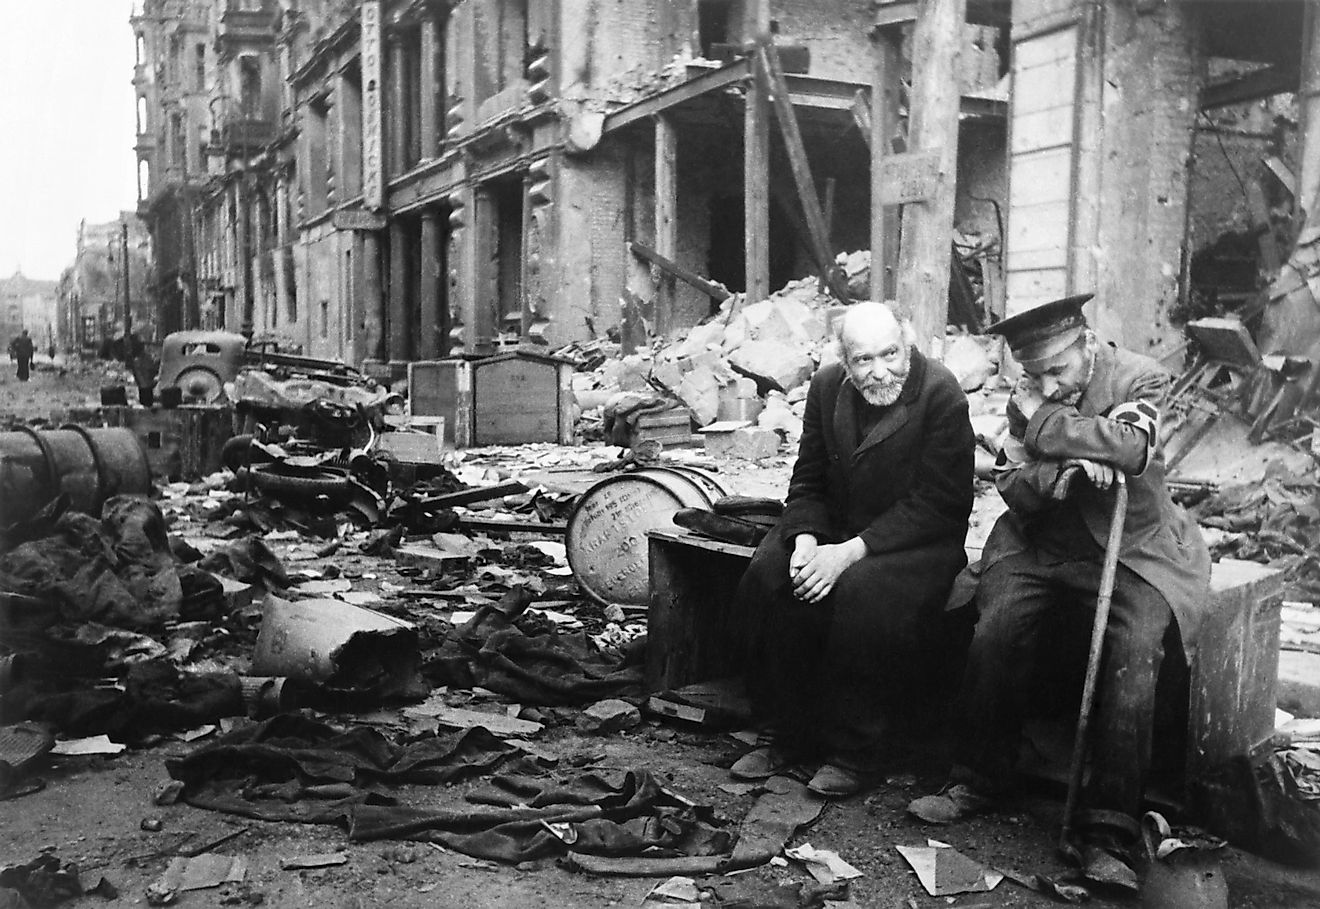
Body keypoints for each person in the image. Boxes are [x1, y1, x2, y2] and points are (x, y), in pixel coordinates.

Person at [909, 294, 1210, 866]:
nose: (1046, 386)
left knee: (1136, 647)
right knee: (995, 627)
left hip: (1133, 549)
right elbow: (1010, 479)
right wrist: (1064, 470)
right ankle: (979, 777)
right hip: (1039, 541)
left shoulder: (1141, 379)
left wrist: (1047, 425)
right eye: (1035, 375)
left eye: (1059, 370)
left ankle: (1109, 825)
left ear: (1087, 344)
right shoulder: (1025, 391)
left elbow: (1131, 447)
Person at [729, 301, 975, 797]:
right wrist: (804, 539)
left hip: (917, 541)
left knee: (862, 592)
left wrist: (850, 552)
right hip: (838, 529)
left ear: (907, 344)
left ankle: (857, 752)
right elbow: (808, 477)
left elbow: (941, 503)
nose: (880, 371)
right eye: (864, 360)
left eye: (890, 354)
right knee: (771, 573)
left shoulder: (941, 393)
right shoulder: (826, 387)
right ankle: (787, 731)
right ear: (844, 360)